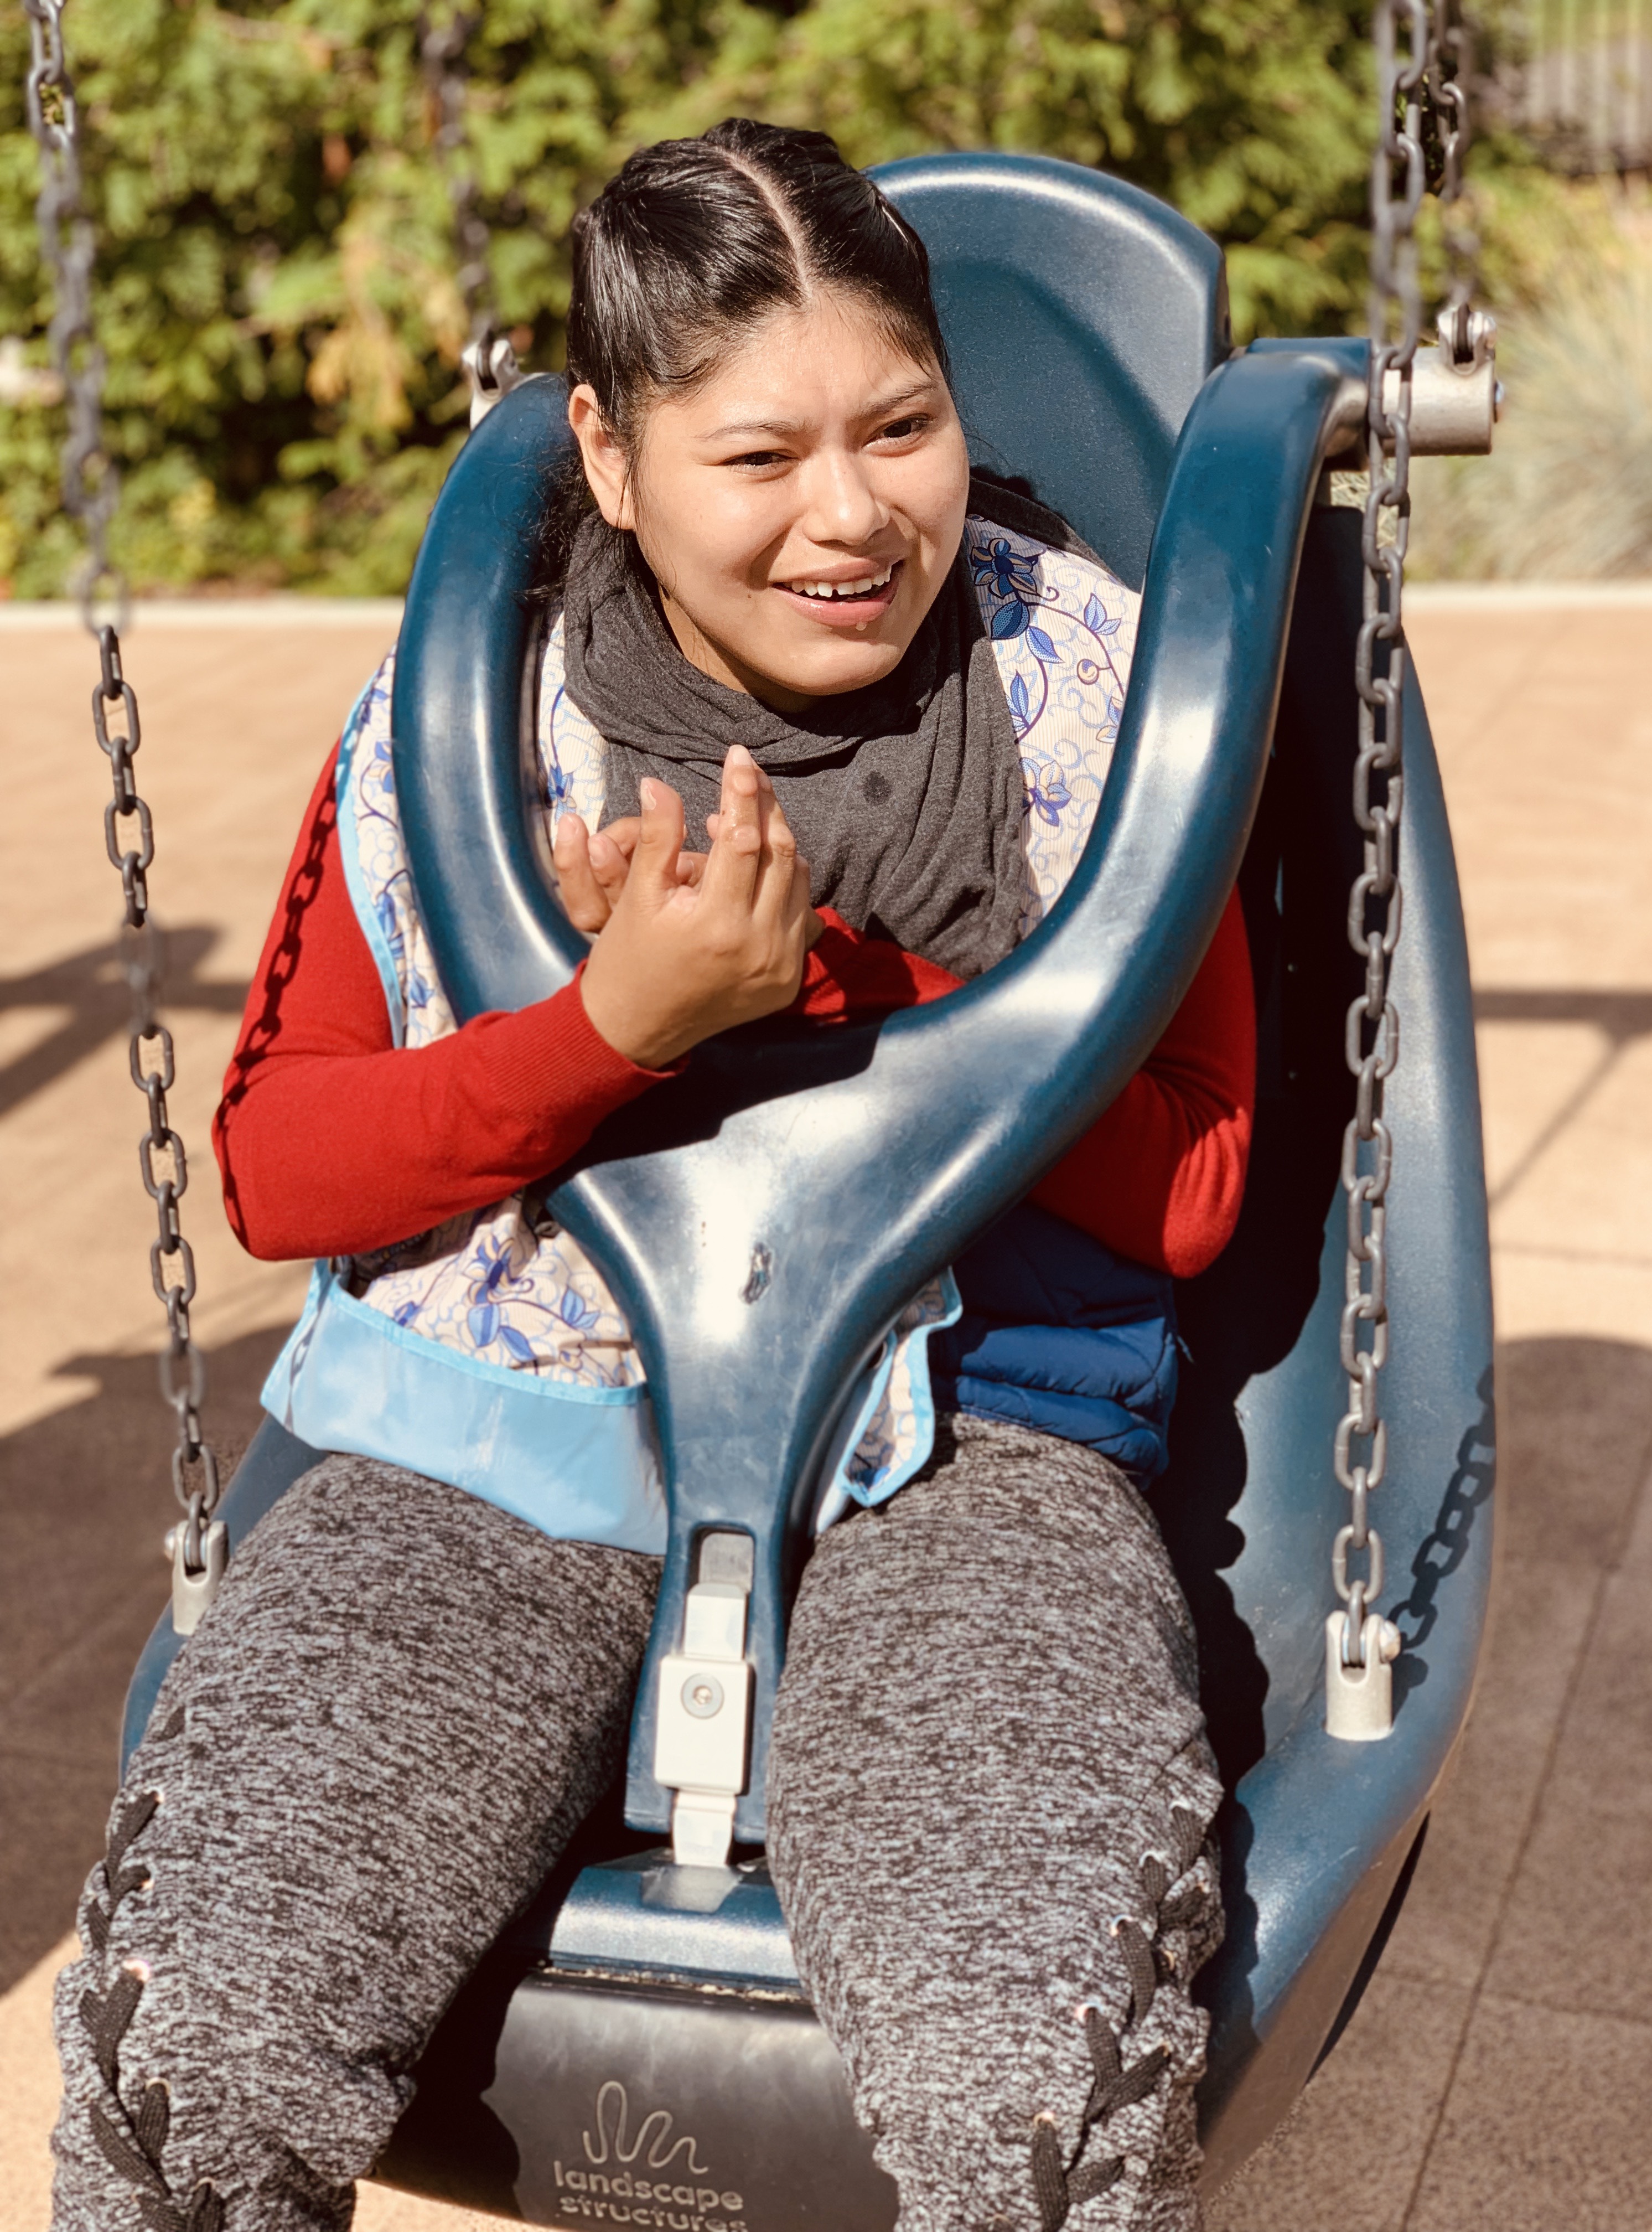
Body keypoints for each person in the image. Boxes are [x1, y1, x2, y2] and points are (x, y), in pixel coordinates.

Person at [52, 119, 1255, 2232]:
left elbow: (1194, 1191)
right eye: (758, 455)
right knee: (200, 2036)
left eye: (902, 427)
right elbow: (283, 1166)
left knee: (1032, 2071)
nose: (853, 516)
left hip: (970, 1439)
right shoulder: (475, 712)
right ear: (606, 457)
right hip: (515, 1422)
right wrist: (608, 1029)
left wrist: (851, 989)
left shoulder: (1098, 694)